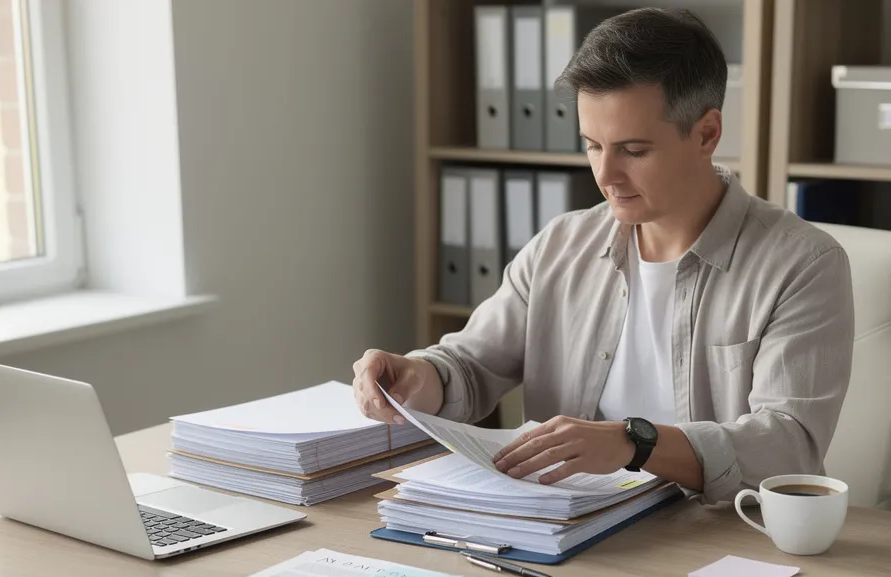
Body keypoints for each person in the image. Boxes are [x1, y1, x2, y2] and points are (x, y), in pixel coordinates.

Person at [353, 8, 853, 505]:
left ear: (706, 134)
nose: (605, 175)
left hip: (719, 542)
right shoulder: (561, 245)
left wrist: (635, 443)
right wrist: (416, 376)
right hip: (570, 535)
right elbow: (468, 366)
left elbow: (789, 447)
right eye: (593, 146)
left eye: (633, 151)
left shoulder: (801, 264)